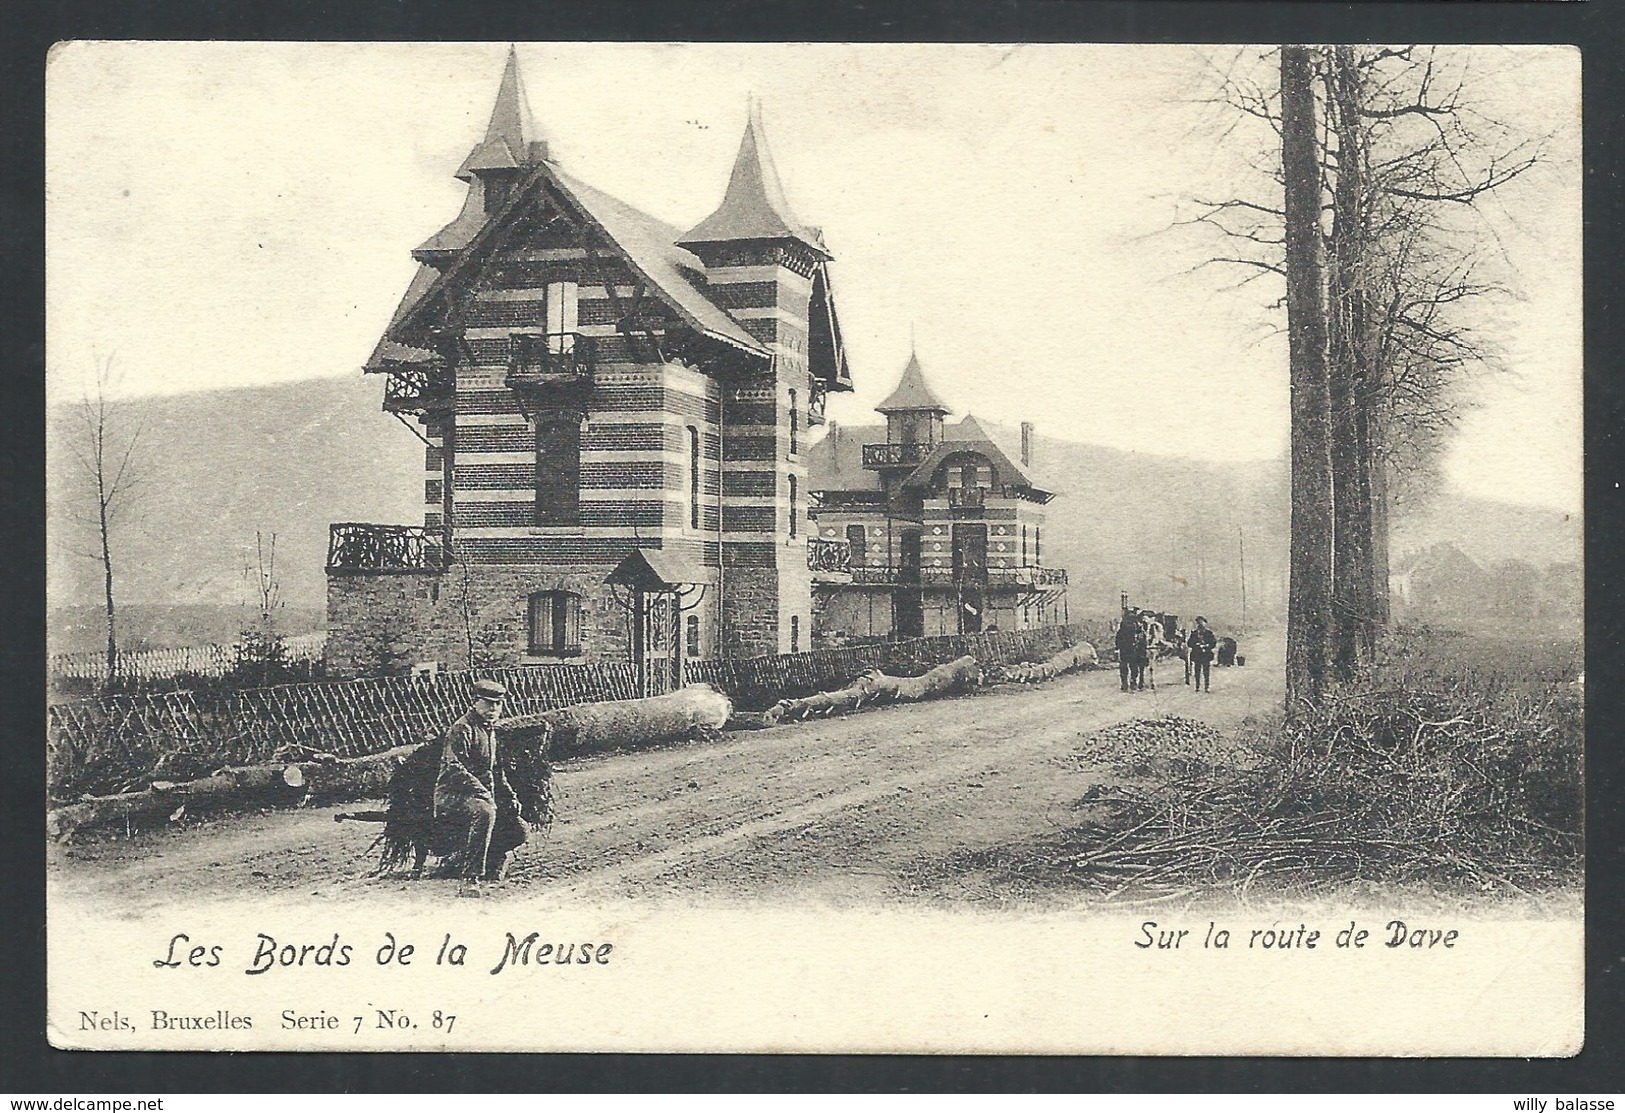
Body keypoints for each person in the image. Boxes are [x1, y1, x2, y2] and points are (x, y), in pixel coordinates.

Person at [434, 677, 514, 883]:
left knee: (519, 828)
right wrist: (482, 792)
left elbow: (495, 769)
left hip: (481, 794)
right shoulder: (463, 728)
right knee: (484, 813)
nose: (493, 708)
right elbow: (454, 768)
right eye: (488, 703)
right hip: (453, 794)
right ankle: (471, 877)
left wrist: (509, 795)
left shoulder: (489, 729)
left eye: (498, 704)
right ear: (474, 702)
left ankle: (491, 858)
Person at [1188, 616, 1218, 693]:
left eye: (1202, 622)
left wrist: (1207, 645)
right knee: (1197, 672)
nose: (1200, 624)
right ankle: (1197, 687)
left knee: (1206, 672)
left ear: (1205, 623)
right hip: (1197, 654)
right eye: (1199, 622)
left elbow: (1213, 643)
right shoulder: (1194, 633)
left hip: (1206, 655)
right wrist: (1196, 645)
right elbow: (1189, 643)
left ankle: (1206, 687)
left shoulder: (1209, 633)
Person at [1114, 611, 1139, 692]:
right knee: (1133, 667)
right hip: (1132, 649)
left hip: (1124, 650)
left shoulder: (1122, 628)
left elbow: (1117, 639)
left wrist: (1117, 648)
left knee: (1124, 667)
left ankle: (1125, 684)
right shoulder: (1135, 627)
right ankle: (1133, 683)